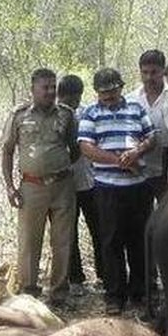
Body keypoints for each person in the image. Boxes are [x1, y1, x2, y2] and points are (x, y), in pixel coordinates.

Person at [78, 68, 157, 315]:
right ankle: (114, 296)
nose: (109, 98)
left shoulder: (136, 109)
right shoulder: (90, 113)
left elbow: (152, 136)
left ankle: (140, 293)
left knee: (140, 241)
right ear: (98, 93)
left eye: (112, 92)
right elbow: (86, 148)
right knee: (111, 242)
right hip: (107, 189)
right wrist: (118, 161)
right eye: (104, 94)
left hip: (138, 188)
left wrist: (137, 152)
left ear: (120, 88)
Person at [1, 68, 79, 307]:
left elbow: (75, 148)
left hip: (62, 186)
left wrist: (59, 166)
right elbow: (7, 151)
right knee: (29, 242)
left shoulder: (66, 115)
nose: (50, 92)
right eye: (45, 87)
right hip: (31, 187)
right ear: (33, 89)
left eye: (53, 87)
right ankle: (29, 293)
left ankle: (59, 294)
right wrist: (11, 187)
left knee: (63, 241)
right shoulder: (19, 115)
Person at [58, 74, 103, 294]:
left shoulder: (87, 113)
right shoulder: (55, 116)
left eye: (77, 98)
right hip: (63, 185)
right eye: (70, 98)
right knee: (68, 233)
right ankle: (75, 278)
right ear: (61, 95)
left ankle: (104, 274)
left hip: (90, 180)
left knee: (99, 229)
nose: (74, 102)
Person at [127, 49, 168, 199]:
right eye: (145, 72)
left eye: (154, 72)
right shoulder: (131, 100)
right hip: (139, 167)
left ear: (163, 71)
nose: (149, 77)